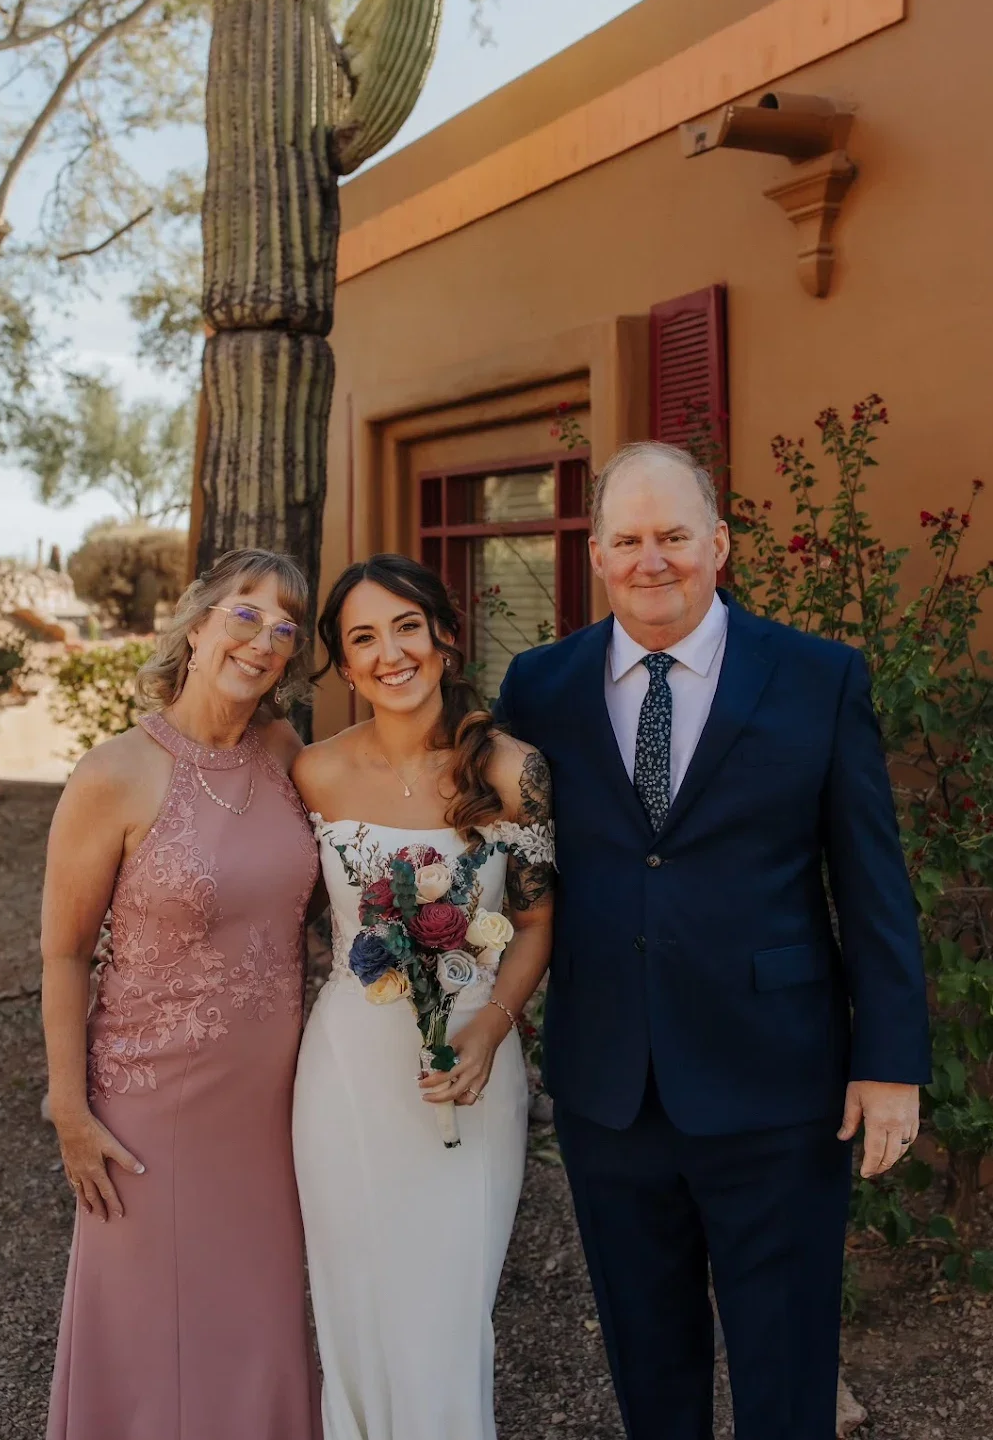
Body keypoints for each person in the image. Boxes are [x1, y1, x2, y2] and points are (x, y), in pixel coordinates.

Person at [495, 442, 931, 1440]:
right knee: (649, 1365)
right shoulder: (540, 686)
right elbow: (509, 869)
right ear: (597, 554)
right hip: (611, 1086)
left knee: (784, 1366)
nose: (654, 560)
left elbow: (871, 884)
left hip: (778, 1084)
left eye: (675, 535)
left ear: (719, 543)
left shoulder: (817, 677)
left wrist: (890, 1062)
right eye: (629, 539)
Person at [42, 548, 321, 1440]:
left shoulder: (285, 755)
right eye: (246, 614)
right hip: (149, 1105)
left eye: (285, 629)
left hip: (275, 1106)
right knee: (149, 1325)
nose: (265, 640)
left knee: (260, 1320)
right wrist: (68, 1108)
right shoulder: (113, 773)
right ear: (196, 625)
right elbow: (63, 953)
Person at [290, 554, 555, 1440]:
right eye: (363, 638)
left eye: (406, 626)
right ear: (343, 663)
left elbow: (536, 926)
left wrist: (487, 1027)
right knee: (356, 1305)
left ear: (444, 635)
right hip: (345, 1075)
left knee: (446, 1313)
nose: (389, 652)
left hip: (473, 1067)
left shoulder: (515, 771)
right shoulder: (313, 774)